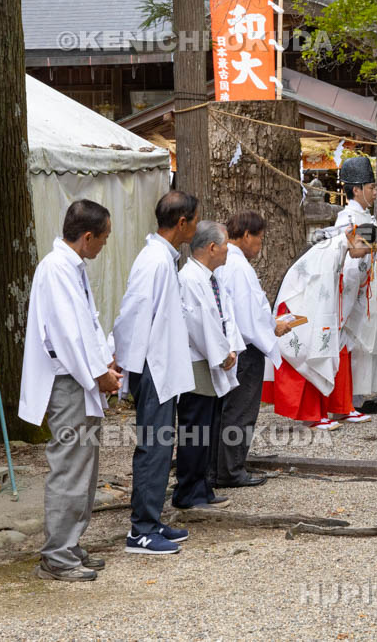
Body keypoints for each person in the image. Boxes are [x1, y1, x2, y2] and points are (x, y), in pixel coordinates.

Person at [19, 200, 122, 582]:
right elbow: (66, 334)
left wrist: (104, 363)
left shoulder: (70, 267)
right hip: (70, 380)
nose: (105, 245)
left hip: (80, 377)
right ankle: (57, 554)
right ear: (88, 236)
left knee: (85, 468)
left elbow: (86, 326)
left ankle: (69, 542)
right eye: (105, 238)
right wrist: (99, 374)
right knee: (70, 468)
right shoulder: (56, 268)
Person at [113, 191, 198, 555]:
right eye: (194, 220)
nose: (196, 226)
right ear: (182, 222)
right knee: (154, 446)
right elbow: (132, 313)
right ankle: (141, 530)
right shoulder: (155, 261)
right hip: (152, 366)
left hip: (161, 364)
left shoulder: (164, 258)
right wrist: (126, 368)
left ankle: (152, 518)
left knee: (163, 447)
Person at [212, 211, 292, 488]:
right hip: (244, 347)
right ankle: (231, 470)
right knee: (240, 410)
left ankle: (218, 467)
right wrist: (272, 329)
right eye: (259, 238)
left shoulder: (223, 261)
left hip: (227, 345)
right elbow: (249, 315)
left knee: (224, 410)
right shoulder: (238, 266)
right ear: (247, 235)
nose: (260, 244)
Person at [262, 227, 370, 429]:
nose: (365, 252)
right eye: (364, 245)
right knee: (307, 355)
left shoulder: (336, 251)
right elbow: (321, 292)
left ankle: (316, 412)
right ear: (353, 237)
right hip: (302, 306)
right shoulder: (329, 253)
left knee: (315, 354)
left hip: (312, 307)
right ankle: (311, 414)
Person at [174, 221, 245, 510]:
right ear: (213, 247)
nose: (229, 249)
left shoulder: (211, 277)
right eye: (226, 243)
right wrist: (221, 354)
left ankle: (203, 488)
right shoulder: (189, 278)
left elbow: (224, 315)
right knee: (195, 429)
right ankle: (188, 492)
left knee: (208, 428)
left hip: (213, 358)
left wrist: (232, 347)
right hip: (198, 361)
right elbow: (197, 323)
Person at [334, 156, 377, 414]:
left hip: (362, 288)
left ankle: (354, 398)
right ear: (356, 189)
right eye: (370, 187)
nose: (374, 191)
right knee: (347, 342)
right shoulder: (346, 218)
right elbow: (352, 253)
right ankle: (345, 401)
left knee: (359, 343)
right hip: (348, 288)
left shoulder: (365, 217)